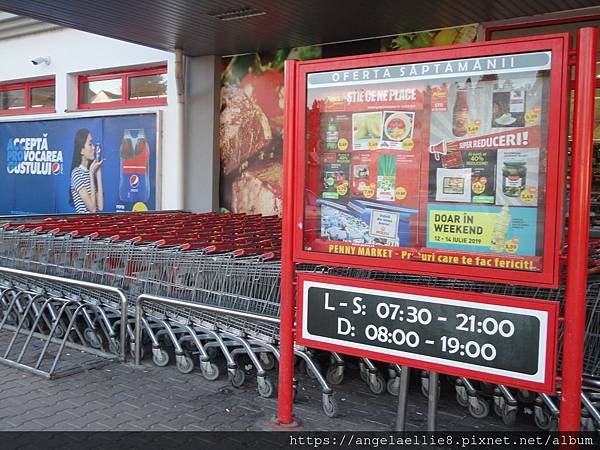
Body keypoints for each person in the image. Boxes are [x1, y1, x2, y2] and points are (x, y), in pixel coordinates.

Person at [69, 128, 104, 213]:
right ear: (82, 150)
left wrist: (98, 172)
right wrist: (91, 174)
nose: (94, 147)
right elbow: (92, 209)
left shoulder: (89, 172)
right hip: (83, 223)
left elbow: (100, 207)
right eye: (90, 144)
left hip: (94, 223)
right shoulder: (76, 173)